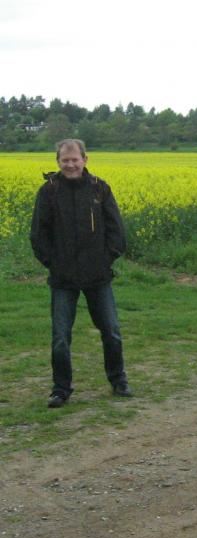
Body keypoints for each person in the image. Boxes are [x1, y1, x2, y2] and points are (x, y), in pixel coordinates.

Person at [30, 139, 133, 408]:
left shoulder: (99, 188)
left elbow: (116, 231)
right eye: (65, 160)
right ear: (58, 162)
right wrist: (53, 263)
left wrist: (105, 259)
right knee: (60, 337)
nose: (70, 164)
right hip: (63, 278)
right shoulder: (49, 191)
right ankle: (60, 389)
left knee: (111, 331)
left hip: (98, 276)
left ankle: (118, 380)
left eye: (75, 159)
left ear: (85, 160)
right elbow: (38, 235)